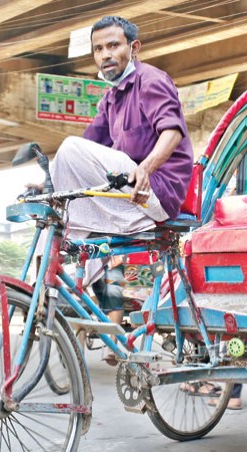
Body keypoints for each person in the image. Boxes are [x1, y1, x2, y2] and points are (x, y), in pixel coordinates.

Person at [48, 16, 194, 356]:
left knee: (68, 149)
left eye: (113, 45)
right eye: (98, 49)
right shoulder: (110, 99)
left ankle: (83, 259)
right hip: (128, 191)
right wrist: (47, 180)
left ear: (133, 47)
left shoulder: (150, 80)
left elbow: (171, 131)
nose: (105, 55)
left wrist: (147, 167)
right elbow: (89, 147)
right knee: (62, 175)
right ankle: (69, 264)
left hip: (156, 189)